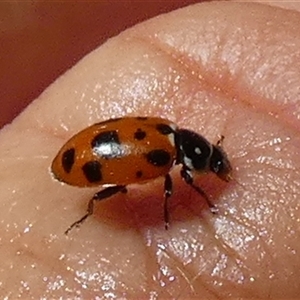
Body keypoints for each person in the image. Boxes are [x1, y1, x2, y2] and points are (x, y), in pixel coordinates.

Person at [1, 1, 300, 298]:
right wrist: (193, 204)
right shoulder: (167, 157)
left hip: (85, 152)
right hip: (81, 161)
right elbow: (177, 187)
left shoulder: (167, 134)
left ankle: (90, 211)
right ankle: (88, 213)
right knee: (147, 189)